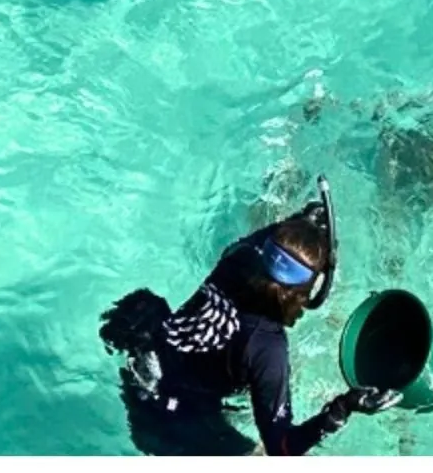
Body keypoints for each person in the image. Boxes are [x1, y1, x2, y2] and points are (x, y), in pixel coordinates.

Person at [99, 181, 398, 456]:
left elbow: (265, 240)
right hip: (174, 417)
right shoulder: (267, 349)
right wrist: (341, 408)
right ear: (306, 292)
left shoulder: (239, 258)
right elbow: (281, 448)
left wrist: (300, 223)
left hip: (146, 364)